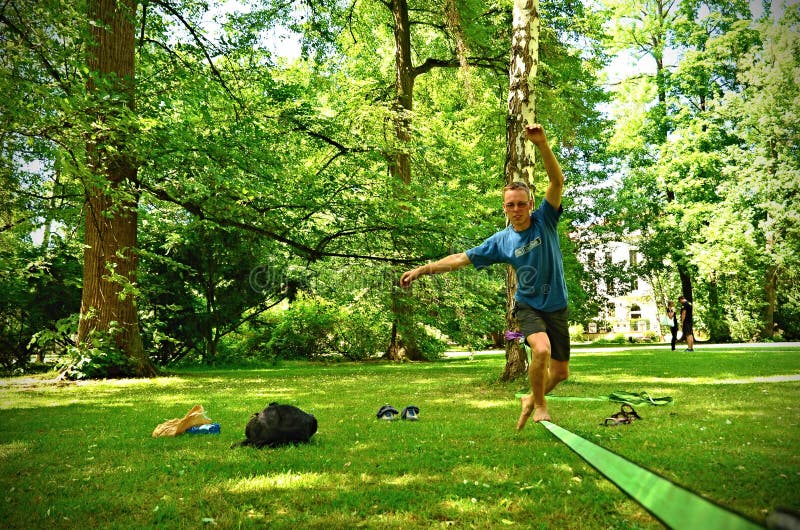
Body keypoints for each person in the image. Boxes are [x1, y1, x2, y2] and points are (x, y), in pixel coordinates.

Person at [400, 123, 568, 429]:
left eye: (521, 204)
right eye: (510, 205)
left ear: (530, 205)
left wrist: (542, 143)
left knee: (559, 373)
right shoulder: (501, 241)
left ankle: (531, 398)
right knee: (540, 349)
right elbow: (460, 258)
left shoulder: (545, 220)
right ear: (504, 208)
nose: (516, 209)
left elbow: (557, 181)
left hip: (557, 304)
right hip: (529, 304)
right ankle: (541, 405)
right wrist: (423, 269)